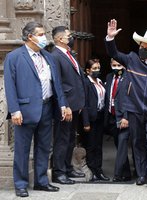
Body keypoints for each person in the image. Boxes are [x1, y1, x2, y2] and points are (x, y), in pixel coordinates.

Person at [4, 21, 71, 197]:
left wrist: (62, 104)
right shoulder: (14, 57)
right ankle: (20, 184)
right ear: (30, 36)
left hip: (47, 107)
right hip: (25, 111)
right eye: (40, 34)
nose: (44, 37)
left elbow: (56, 83)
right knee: (22, 149)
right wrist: (14, 110)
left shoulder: (48, 57)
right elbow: (10, 87)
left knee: (43, 147)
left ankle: (41, 181)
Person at [105, 19, 147, 187]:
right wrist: (110, 38)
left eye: (146, 47)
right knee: (138, 142)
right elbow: (114, 54)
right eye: (141, 46)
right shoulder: (132, 59)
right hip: (134, 109)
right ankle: (141, 175)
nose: (142, 49)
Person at [51, 26, 86, 184]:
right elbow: (57, 83)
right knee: (62, 139)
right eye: (69, 35)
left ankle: (67, 167)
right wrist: (64, 105)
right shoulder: (55, 56)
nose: (71, 38)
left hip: (75, 104)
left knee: (71, 138)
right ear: (60, 39)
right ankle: (59, 172)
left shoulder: (69, 54)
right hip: (66, 106)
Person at [81, 58, 110, 182]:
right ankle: (92, 170)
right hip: (91, 118)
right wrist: (86, 122)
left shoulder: (99, 81)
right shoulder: (86, 83)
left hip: (100, 116)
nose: (97, 71)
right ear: (88, 70)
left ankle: (99, 170)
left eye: (98, 68)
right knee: (91, 145)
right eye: (94, 69)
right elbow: (85, 104)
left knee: (99, 145)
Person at [104, 58, 131, 182]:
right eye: (114, 65)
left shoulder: (129, 78)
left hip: (124, 117)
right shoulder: (109, 77)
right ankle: (127, 173)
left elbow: (130, 99)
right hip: (111, 117)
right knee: (118, 144)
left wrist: (126, 116)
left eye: (119, 65)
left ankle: (117, 174)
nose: (116, 68)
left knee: (122, 144)